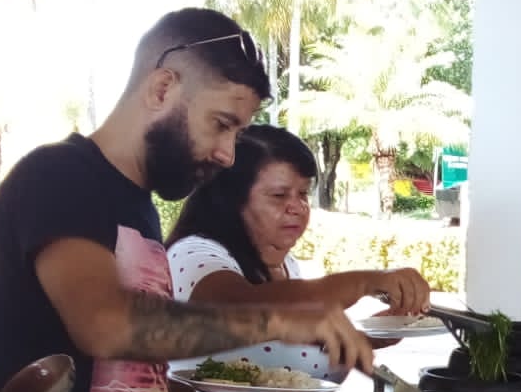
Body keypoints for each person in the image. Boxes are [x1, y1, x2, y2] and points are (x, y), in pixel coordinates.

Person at [0, 8, 373, 392]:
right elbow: (105, 326)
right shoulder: (58, 177)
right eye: (221, 125)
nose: (228, 154)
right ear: (163, 88)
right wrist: (278, 318)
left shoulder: (138, 206)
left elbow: (116, 377)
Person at [166, 124, 430, 331]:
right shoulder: (193, 254)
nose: (298, 207)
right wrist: (365, 282)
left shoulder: (287, 265)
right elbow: (241, 309)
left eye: (303, 194)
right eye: (279, 196)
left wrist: (377, 331)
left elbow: (290, 346)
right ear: (232, 201)